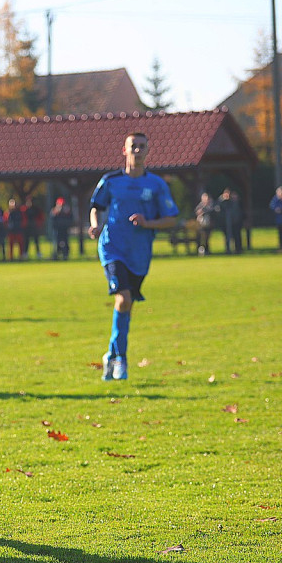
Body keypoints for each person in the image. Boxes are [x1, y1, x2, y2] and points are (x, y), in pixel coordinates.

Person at [88, 131, 178, 381]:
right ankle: (121, 360)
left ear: (148, 151)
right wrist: (96, 225)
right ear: (124, 150)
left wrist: (148, 223)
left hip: (139, 254)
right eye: (133, 146)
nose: (137, 150)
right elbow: (97, 207)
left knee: (126, 304)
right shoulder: (111, 181)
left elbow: (171, 218)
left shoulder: (156, 185)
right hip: (112, 248)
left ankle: (111, 353)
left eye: (142, 146)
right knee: (124, 298)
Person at [218, 188, 243, 254]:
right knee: (227, 237)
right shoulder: (221, 202)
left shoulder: (234, 202)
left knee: (236, 236)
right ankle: (228, 249)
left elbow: (237, 211)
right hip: (225, 223)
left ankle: (238, 249)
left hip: (235, 222)